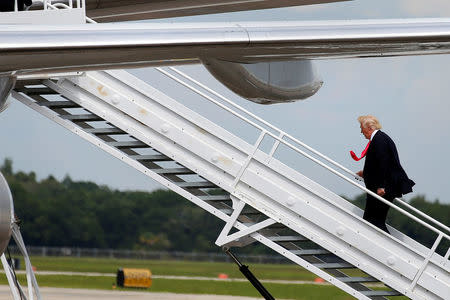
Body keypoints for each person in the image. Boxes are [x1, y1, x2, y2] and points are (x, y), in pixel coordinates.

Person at [352, 115, 415, 233]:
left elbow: (383, 164)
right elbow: (379, 164)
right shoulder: (380, 138)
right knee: (372, 220)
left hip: (383, 189)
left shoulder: (379, 140)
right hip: (382, 187)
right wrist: (366, 173)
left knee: (374, 221)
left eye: (362, 128)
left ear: (369, 128)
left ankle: (390, 249)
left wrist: (381, 186)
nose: (361, 132)